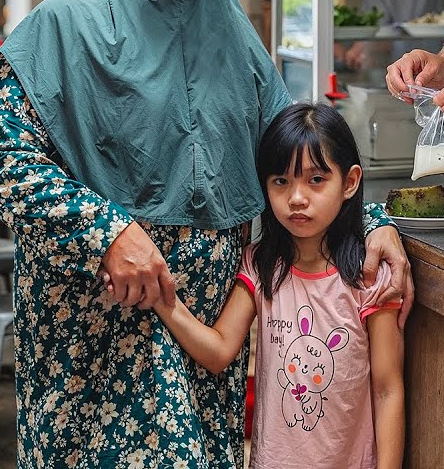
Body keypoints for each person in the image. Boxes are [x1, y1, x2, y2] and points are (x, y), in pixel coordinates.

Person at [0, 0, 412, 468]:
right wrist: (108, 232)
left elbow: (297, 153)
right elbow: (2, 158)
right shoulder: (63, 25)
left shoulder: (232, 31)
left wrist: (372, 222)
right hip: (102, 320)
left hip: (207, 319)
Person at [132, 102, 404, 469]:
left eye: (316, 180)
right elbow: (218, 351)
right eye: (281, 181)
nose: (296, 197)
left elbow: (387, 389)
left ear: (350, 182)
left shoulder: (368, 276)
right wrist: (164, 301)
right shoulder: (261, 268)